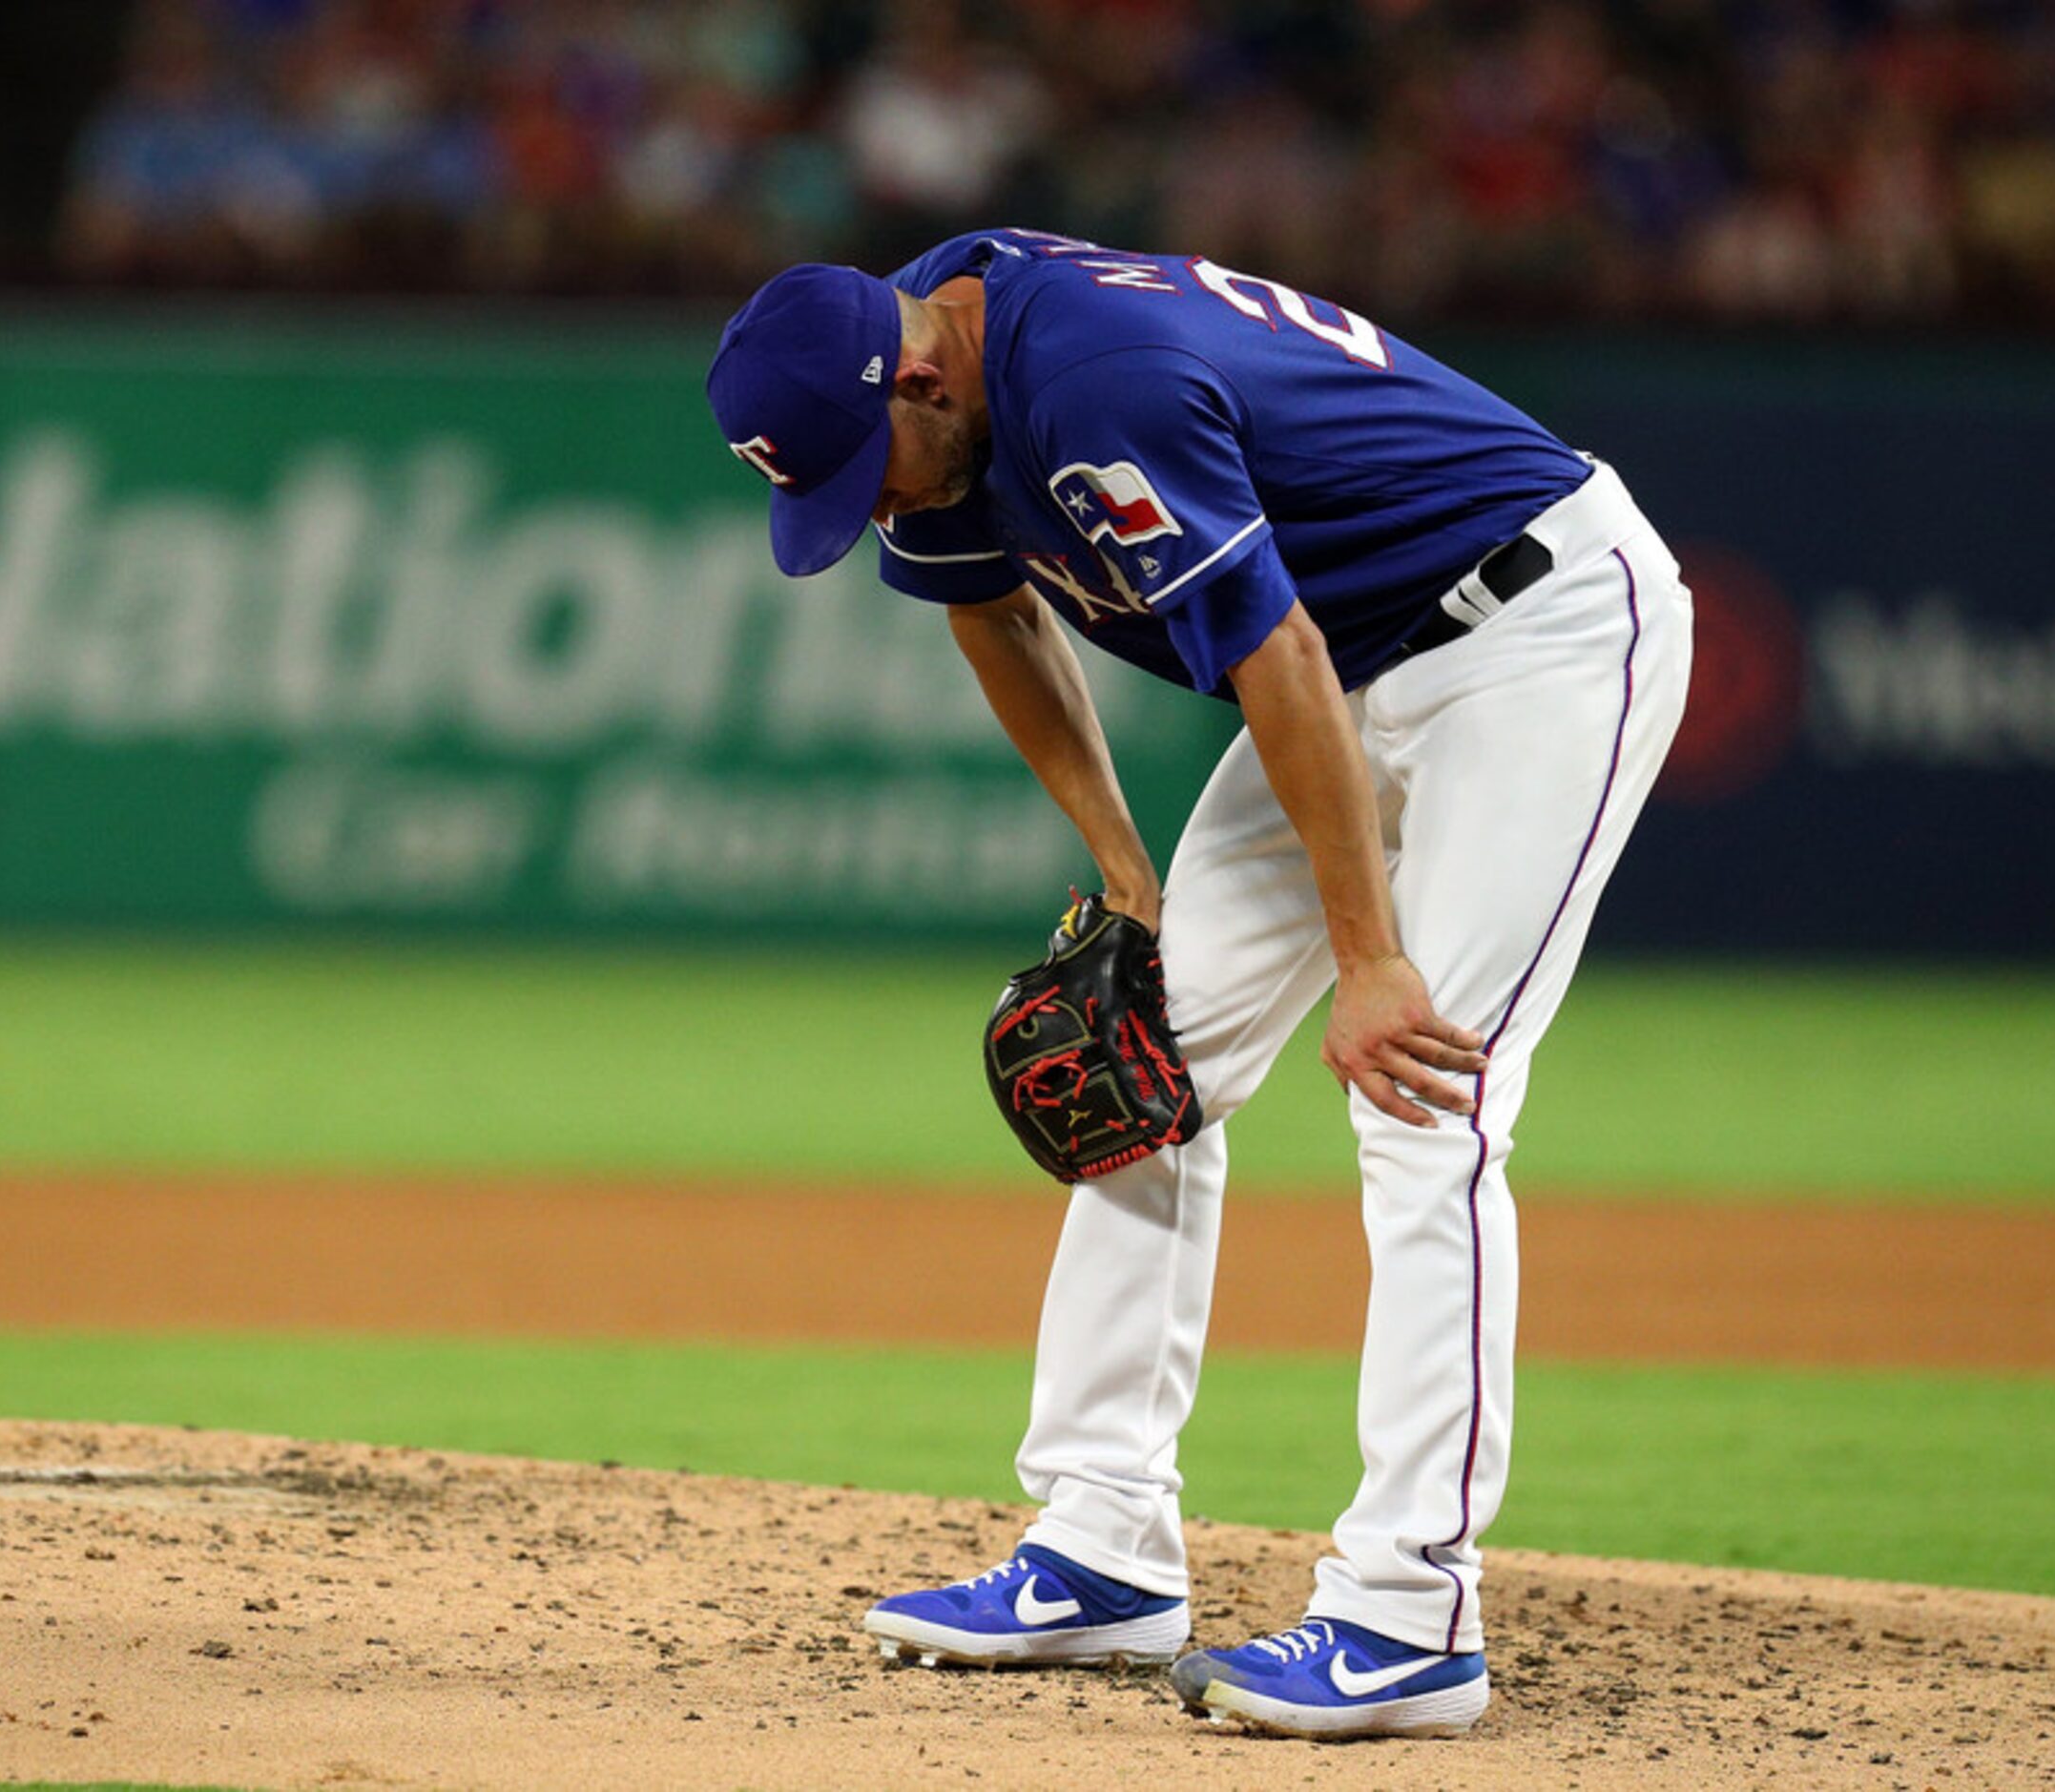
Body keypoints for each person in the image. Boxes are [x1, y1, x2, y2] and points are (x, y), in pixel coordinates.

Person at [705, 227, 1692, 1741]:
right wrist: (1122, 868)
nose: (879, 502)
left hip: (1537, 632)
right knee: (1125, 1062)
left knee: (1425, 1088)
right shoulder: (928, 357)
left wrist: (1370, 960)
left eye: (870, 466)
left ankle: (1414, 1610)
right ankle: (1103, 1542)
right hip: (1348, 657)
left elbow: (1274, 649)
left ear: (914, 374)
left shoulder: (1097, 379)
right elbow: (992, 605)